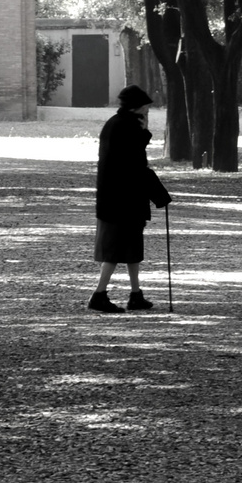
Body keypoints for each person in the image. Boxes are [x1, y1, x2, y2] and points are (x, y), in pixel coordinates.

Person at [89, 84, 172, 313]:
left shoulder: (116, 124)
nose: (148, 112)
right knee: (116, 250)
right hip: (122, 200)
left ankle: (136, 294)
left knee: (132, 248)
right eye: (146, 108)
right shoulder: (126, 127)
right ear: (136, 107)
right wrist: (159, 195)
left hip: (118, 198)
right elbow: (134, 165)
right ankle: (99, 294)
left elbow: (132, 160)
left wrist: (143, 132)